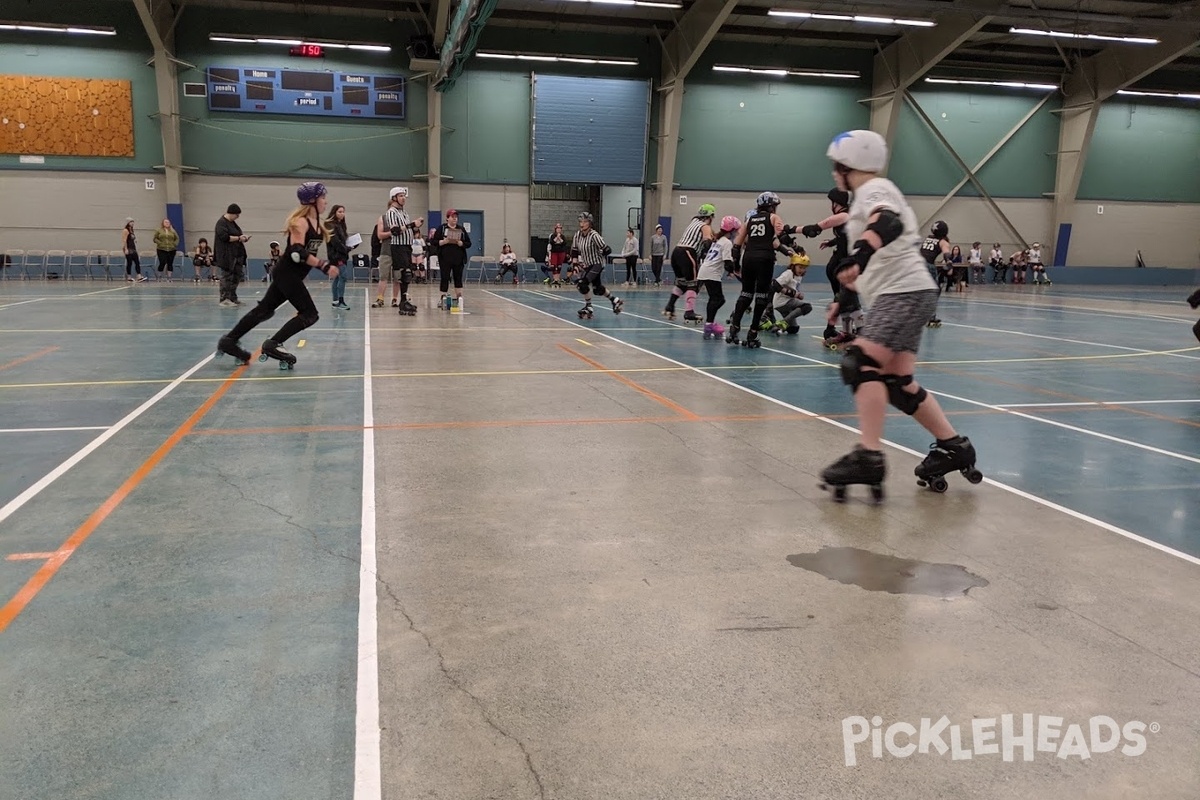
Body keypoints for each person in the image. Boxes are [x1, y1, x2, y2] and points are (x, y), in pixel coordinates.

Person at [818, 130, 981, 501]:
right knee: (897, 382)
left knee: (860, 366)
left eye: (836, 166)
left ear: (849, 166)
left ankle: (869, 456)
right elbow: (873, 258)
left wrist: (857, 255)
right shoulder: (867, 195)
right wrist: (844, 296)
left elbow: (887, 222)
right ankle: (954, 446)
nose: (833, 173)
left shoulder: (876, 189)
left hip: (903, 292)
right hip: (910, 290)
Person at [216, 182, 338, 369]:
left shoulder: (318, 225)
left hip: (289, 275)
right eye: (323, 197)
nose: (326, 202)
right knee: (310, 314)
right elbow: (297, 252)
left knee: (264, 310)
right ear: (312, 200)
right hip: (287, 274)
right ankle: (272, 344)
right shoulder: (301, 222)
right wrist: (323, 265)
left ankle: (229, 341)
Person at [729, 192, 795, 347]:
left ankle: (734, 327)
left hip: (749, 258)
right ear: (772, 206)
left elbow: (737, 245)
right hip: (765, 258)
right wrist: (791, 244)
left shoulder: (750, 220)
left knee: (745, 294)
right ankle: (752, 332)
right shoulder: (773, 217)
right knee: (761, 296)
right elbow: (780, 234)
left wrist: (735, 265)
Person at [800, 188, 850, 341]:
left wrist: (789, 230)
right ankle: (839, 331)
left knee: (841, 300)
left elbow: (817, 228)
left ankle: (833, 330)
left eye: (832, 202)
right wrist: (831, 242)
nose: (831, 205)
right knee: (844, 300)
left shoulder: (844, 215)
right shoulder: (847, 216)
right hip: (840, 264)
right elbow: (844, 237)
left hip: (840, 264)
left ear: (837, 203)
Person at [663, 204, 716, 323]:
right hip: (687, 252)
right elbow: (707, 241)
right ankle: (689, 312)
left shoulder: (693, 221)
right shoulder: (705, 226)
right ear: (711, 216)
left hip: (676, 252)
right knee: (693, 283)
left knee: (682, 282)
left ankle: (670, 306)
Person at [570, 212, 622, 319]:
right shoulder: (577, 235)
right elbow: (574, 251)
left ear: (589, 223)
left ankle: (589, 307)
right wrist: (575, 264)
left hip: (597, 264)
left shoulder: (594, 235)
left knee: (582, 284)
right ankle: (615, 300)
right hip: (587, 265)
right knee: (597, 289)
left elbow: (607, 249)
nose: (582, 224)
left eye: (585, 222)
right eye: (581, 221)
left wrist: (602, 252)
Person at [696, 215, 740, 340]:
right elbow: (727, 262)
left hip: (705, 270)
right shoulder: (726, 243)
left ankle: (709, 324)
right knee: (719, 299)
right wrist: (733, 271)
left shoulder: (718, 241)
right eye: (735, 230)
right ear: (731, 231)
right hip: (711, 273)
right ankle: (709, 325)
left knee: (714, 299)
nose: (737, 233)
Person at [384, 186, 424, 316]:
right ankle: (402, 302)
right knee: (403, 274)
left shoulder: (405, 213)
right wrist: (412, 224)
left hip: (407, 246)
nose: (403, 198)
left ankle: (404, 300)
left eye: (404, 196)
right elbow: (395, 231)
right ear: (394, 198)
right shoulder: (391, 212)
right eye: (400, 196)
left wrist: (416, 226)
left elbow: (407, 229)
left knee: (408, 274)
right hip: (398, 246)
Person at [431, 209, 471, 310]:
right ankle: (442, 298)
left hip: (458, 258)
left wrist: (462, 243)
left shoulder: (461, 229)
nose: (454, 219)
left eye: (456, 217)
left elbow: (469, 243)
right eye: (452, 217)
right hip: (445, 258)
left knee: (458, 278)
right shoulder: (442, 228)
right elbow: (433, 241)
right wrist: (443, 242)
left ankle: (459, 298)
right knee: (445, 277)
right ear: (447, 218)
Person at [766, 251, 813, 336]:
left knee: (793, 329)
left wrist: (798, 294)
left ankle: (772, 326)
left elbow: (793, 289)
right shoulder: (788, 273)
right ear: (793, 265)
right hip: (783, 302)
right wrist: (793, 294)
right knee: (807, 307)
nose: (802, 270)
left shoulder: (798, 276)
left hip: (783, 304)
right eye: (800, 267)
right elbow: (774, 284)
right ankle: (783, 322)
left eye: (804, 268)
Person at [919, 220, 951, 327]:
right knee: (934, 291)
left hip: (915, 263)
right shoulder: (943, 241)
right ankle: (931, 316)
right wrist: (949, 262)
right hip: (927, 265)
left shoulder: (928, 238)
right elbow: (946, 252)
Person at [214, 204, 248, 306]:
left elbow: (237, 234)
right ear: (231, 213)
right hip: (226, 255)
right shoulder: (221, 223)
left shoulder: (233, 224)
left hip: (236, 254)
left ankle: (233, 298)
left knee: (236, 276)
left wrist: (243, 238)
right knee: (227, 276)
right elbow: (225, 237)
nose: (238, 217)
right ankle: (224, 299)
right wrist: (238, 238)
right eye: (237, 215)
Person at [326, 204, 352, 310]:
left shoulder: (341, 225)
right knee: (343, 276)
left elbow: (343, 241)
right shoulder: (330, 225)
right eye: (339, 212)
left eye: (343, 212)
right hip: (336, 256)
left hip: (342, 255)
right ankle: (340, 301)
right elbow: (335, 242)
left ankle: (335, 300)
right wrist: (346, 249)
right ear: (334, 213)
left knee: (337, 277)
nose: (342, 214)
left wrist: (350, 245)